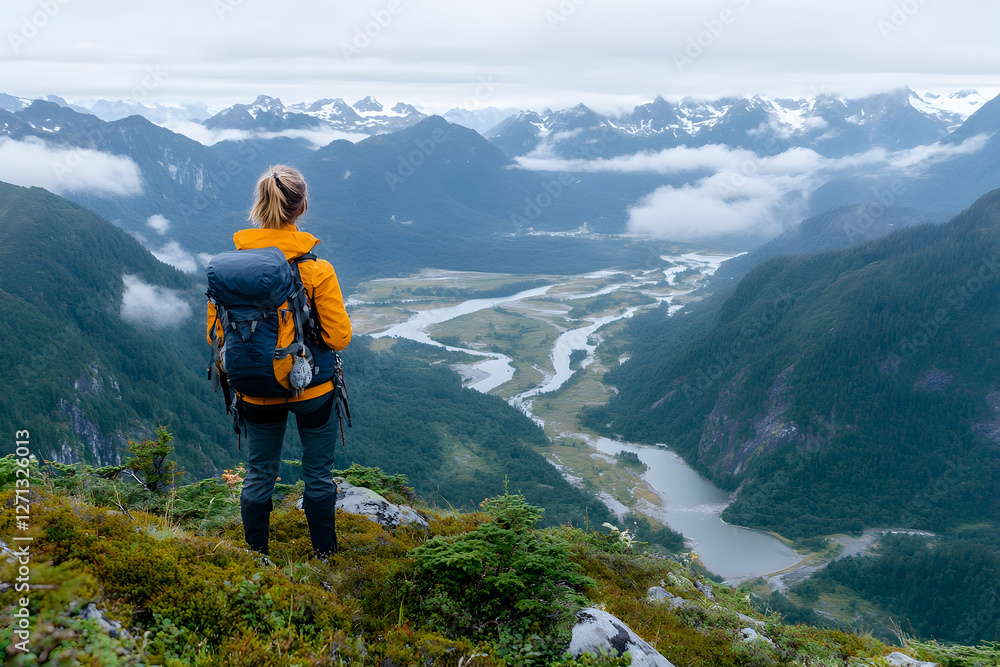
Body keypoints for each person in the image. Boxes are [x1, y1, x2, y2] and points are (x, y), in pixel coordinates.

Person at [206, 165, 352, 559]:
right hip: (313, 386)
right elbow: (340, 337)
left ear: (259, 204)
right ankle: (325, 557)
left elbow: (217, 337)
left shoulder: (229, 272)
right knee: (318, 474)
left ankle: (255, 557)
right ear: (301, 206)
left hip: (254, 386)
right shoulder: (316, 269)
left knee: (259, 473)